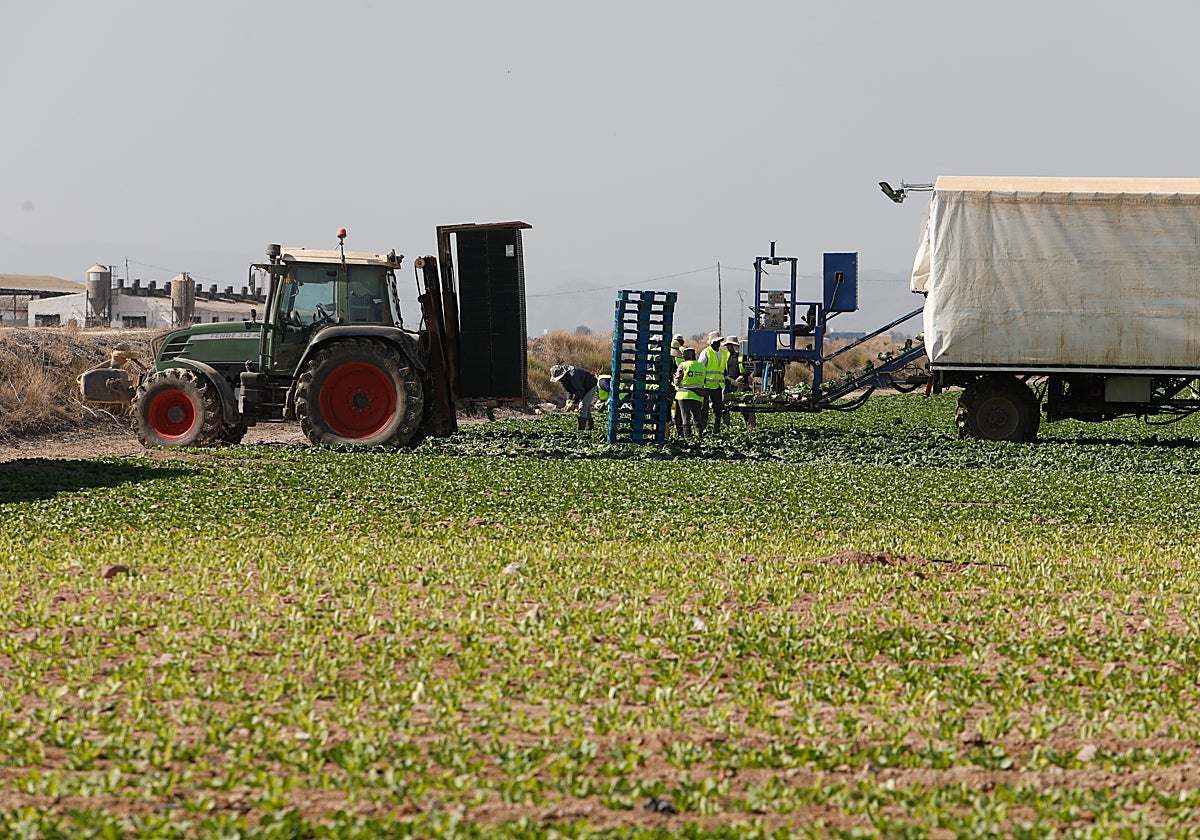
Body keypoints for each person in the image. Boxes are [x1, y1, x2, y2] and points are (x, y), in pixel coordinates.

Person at [721, 335, 756, 430]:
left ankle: (750, 428)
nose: (727, 348)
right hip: (729, 386)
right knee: (725, 408)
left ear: (733, 346)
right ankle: (725, 428)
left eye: (729, 346)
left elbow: (750, 368)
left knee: (746, 408)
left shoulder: (743, 356)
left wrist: (743, 376)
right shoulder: (727, 356)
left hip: (741, 386)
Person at [697, 331, 729, 434]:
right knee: (703, 409)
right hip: (706, 386)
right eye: (716, 341)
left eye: (719, 341)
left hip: (718, 386)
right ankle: (702, 430)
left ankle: (716, 430)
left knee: (718, 409)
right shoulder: (706, 352)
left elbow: (724, 370)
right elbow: (700, 368)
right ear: (711, 342)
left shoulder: (724, 354)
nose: (718, 343)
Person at [550, 364, 598, 430]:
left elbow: (580, 390)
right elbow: (569, 390)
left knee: (582, 406)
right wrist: (569, 399)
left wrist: (574, 402)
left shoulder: (573, 375)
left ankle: (581, 429)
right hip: (583, 388)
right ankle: (590, 427)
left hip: (590, 386)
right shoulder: (564, 379)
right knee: (586, 408)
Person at [673, 347, 707, 439]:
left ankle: (687, 438)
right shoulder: (702, 366)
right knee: (697, 417)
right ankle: (698, 436)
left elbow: (677, 381)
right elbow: (704, 381)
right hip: (698, 396)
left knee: (685, 417)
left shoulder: (683, 365)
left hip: (684, 396)